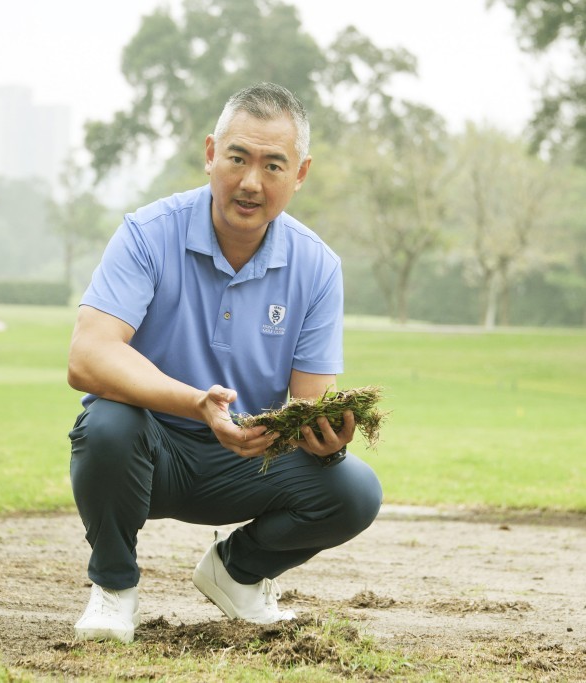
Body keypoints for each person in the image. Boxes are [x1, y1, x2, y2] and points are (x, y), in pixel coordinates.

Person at [66, 82, 383, 643]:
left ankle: (237, 572)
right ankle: (113, 589)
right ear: (211, 153)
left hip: (248, 458)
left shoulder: (317, 265)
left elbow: (310, 402)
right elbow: (88, 358)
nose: (250, 182)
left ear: (300, 174)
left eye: (272, 165)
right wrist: (195, 402)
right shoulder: (147, 233)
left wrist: (325, 437)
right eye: (237, 158)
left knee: (353, 490)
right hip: (151, 452)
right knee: (107, 424)